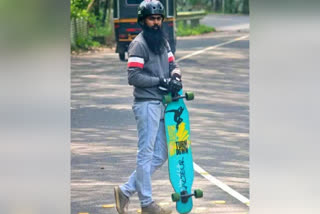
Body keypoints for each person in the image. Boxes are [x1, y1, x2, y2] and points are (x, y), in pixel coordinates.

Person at [114, 0, 182, 214]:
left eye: (159, 18)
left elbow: (173, 64)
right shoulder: (139, 44)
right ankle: (147, 204)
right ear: (143, 21)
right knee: (146, 153)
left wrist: (175, 77)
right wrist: (160, 81)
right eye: (152, 19)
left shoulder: (163, 42)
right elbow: (133, 76)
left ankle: (125, 191)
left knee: (161, 154)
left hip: (163, 105)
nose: (156, 22)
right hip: (146, 104)